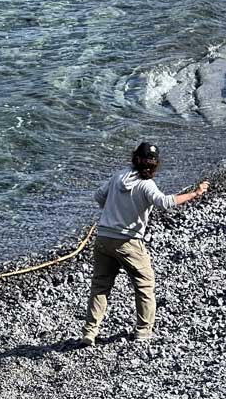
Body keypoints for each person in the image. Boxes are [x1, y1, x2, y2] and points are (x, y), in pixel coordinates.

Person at [81, 142, 209, 346]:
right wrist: (195, 193)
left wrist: (113, 210)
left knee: (100, 286)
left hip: (104, 238)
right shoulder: (146, 184)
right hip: (128, 241)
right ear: (152, 164)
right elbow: (165, 203)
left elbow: (98, 197)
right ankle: (143, 331)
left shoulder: (118, 176)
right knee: (145, 284)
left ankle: (90, 332)